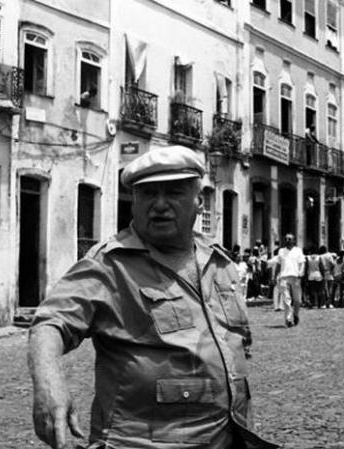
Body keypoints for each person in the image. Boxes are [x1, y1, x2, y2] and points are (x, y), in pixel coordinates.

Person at [27, 145, 279, 449]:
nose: (160, 205)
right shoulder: (110, 265)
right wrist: (48, 382)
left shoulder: (220, 263)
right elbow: (51, 322)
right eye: (148, 194)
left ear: (199, 201)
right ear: (134, 203)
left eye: (173, 192)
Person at [274, 233, 305, 327]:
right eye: (286, 239)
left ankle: (296, 315)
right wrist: (275, 276)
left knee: (297, 300)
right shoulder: (281, 251)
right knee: (287, 300)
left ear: (294, 240)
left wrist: (301, 272)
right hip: (283, 277)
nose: (287, 240)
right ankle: (288, 319)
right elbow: (278, 265)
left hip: (295, 277)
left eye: (289, 239)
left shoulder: (298, 251)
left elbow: (302, 263)